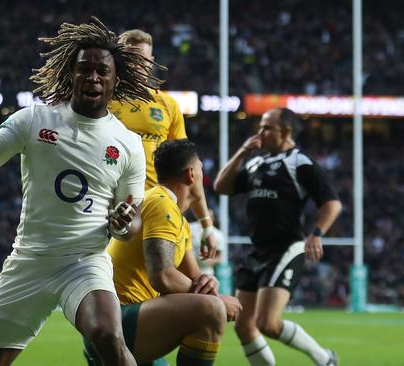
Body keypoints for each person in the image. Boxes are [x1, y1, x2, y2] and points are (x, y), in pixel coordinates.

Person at [0, 17, 162, 366]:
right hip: (30, 260)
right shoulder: (33, 119)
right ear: (71, 74)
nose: (93, 77)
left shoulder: (129, 144)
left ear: (117, 80)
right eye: (85, 69)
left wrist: (122, 223)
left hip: (84, 262)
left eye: (103, 71)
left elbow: (132, 225)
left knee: (108, 335)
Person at [84, 139, 242, 366]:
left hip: (132, 318)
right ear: (191, 174)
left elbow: (195, 278)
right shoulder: (160, 203)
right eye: (200, 169)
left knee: (209, 303)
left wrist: (208, 283)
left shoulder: (179, 219)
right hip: (113, 318)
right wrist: (217, 300)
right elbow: (163, 276)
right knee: (211, 310)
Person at [213, 108, 342, 366]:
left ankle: (325, 359)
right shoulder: (255, 162)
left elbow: (332, 203)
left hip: (286, 248)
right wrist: (243, 151)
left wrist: (316, 234)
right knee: (243, 325)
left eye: (267, 127)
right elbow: (221, 187)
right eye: (260, 126)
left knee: (267, 323)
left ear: (286, 131)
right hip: (256, 251)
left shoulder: (300, 162)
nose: (260, 133)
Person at [108, 29, 219, 260]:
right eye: (130, 57)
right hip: (112, 211)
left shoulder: (167, 105)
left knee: (184, 283)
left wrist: (206, 224)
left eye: (142, 58)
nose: (137, 64)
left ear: (151, 62)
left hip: (159, 209)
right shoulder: (102, 102)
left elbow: (189, 169)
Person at [189, 209, 225, 276]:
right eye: (203, 216)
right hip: (188, 269)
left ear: (213, 218)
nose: (206, 219)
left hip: (206, 271)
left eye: (209, 217)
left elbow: (219, 256)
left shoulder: (219, 235)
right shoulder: (189, 228)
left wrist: (211, 262)